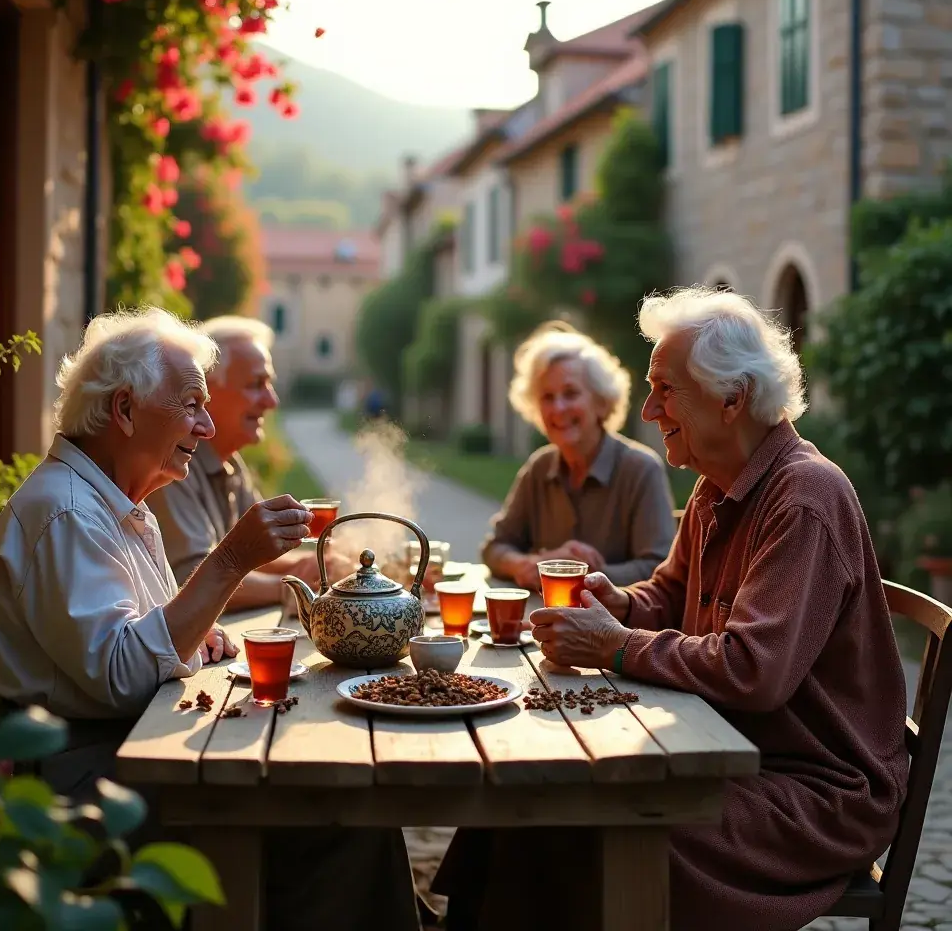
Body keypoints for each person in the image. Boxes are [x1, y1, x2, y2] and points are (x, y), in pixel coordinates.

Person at [439, 288, 909, 931]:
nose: (649, 408)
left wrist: (615, 646)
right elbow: (664, 594)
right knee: (529, 791)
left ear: (731, 397)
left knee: (586, 821)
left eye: (665, 389)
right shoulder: (719, 484)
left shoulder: (803, 498)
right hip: (732, 749)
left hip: (812, 793)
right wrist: (617, 602)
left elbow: (754, 670)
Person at [0, 306, 421, 931]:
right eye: (189, 405)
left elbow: (135, 641)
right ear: (125, 410)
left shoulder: (115, 505)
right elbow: (124, 678)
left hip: (134, 748)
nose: (207, 425)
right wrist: (234, 557)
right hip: (88, 782)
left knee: (343, 803)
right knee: (342, 821)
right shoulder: (68, 513)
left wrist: (191, 634)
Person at [148, 316, 336, 614]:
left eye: (269, 384)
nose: (271, 401)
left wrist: (320, 564)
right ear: (206, 390)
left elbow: (260, 552)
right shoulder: (173, 467)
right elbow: (192, 579)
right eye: (256, 384)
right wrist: (295, 585)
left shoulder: (229, 462)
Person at [482, 320, 675, 591]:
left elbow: (660, 568)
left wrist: (582, 574)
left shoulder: (641, 468)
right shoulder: (540, 466)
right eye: (547, 397)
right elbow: (495, 547)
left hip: (616, 629)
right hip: (541, 625)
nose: (558, 408)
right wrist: (531, 564)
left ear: (601, 401)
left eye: (570, 393)